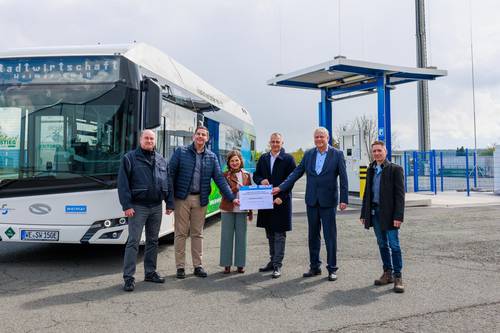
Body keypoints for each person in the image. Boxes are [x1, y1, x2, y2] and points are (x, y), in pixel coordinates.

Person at [272, 127, 348, 282]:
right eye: (316, 137)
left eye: (321, 137)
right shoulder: (308, 154)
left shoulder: (337, 154)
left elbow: (344, 178)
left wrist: (344, 199)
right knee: (313, 235)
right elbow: (296, 173)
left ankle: (332, 268)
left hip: (328, 201)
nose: (319, 139)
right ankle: (315, 267)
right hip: (312, 201)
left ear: (327, 138)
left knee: (330, 236)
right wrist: (281, 187)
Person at [169, 125, 239, 279]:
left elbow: (220, 179)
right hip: (182, 198)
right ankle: (180, 267)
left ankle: (197, 266)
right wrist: (169, 200)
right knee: (180, 233)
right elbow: (170, 174)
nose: (201, 137)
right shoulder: (181, 152)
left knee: (197, 234)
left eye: (204, 135)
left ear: (207, 138)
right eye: (198, 134)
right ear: (194, 136)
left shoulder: (211, 157)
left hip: (201, 199)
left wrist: (231, 198)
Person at [117, 129, 174, 292]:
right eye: (146, 138)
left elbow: (168, 182)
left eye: (152, 139)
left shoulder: (162, 160)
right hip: (137, 207)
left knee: (153, 241)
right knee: (133, 241)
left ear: (155, 141)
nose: (149, 141)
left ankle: (150, 272)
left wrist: (169, 204)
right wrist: (126, 205)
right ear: (140, 140)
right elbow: (123, 184)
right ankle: (128, 278)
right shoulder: (130, 158)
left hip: (156, 206)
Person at [360, 140, 405, 293]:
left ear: (385, 151)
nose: (377, 153)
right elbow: (367, 193)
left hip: (391, 214)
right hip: (375, 213)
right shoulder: (370, 169)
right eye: (374, 151)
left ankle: (398, 277)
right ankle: (387, 273)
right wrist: (363, 213)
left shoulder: (395, 169)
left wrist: (398, 216)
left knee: (394, 245)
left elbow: (400, 196)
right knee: (381, 243)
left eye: (379, 150)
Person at [253, 133, 296, 278]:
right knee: (270, 233)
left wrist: (281, 197)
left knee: (279, 235)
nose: (275, 144)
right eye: (273, 141)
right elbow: (256, 175)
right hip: (266, 201)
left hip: (281, 202)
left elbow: (291, 180)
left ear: (282, 143)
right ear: (269, 143)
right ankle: (272, 261)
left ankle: (277, 265)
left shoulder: (289, 159)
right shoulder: (264, 158)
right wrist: (261, 181)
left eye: (278, 141)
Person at [219, 150, 253, 274]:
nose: (234, 163)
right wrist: (236, 188)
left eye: (236, 160)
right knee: (226, 237)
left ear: (240, 161)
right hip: (227, 208)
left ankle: (240, 264)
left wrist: (250, 212)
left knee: (241, 237)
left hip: (242, 209)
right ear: (228, 162)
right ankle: (226, 264)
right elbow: (223, 192)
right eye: (232, 161)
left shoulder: (247, 175)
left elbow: (250, 194)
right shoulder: (224, 175)